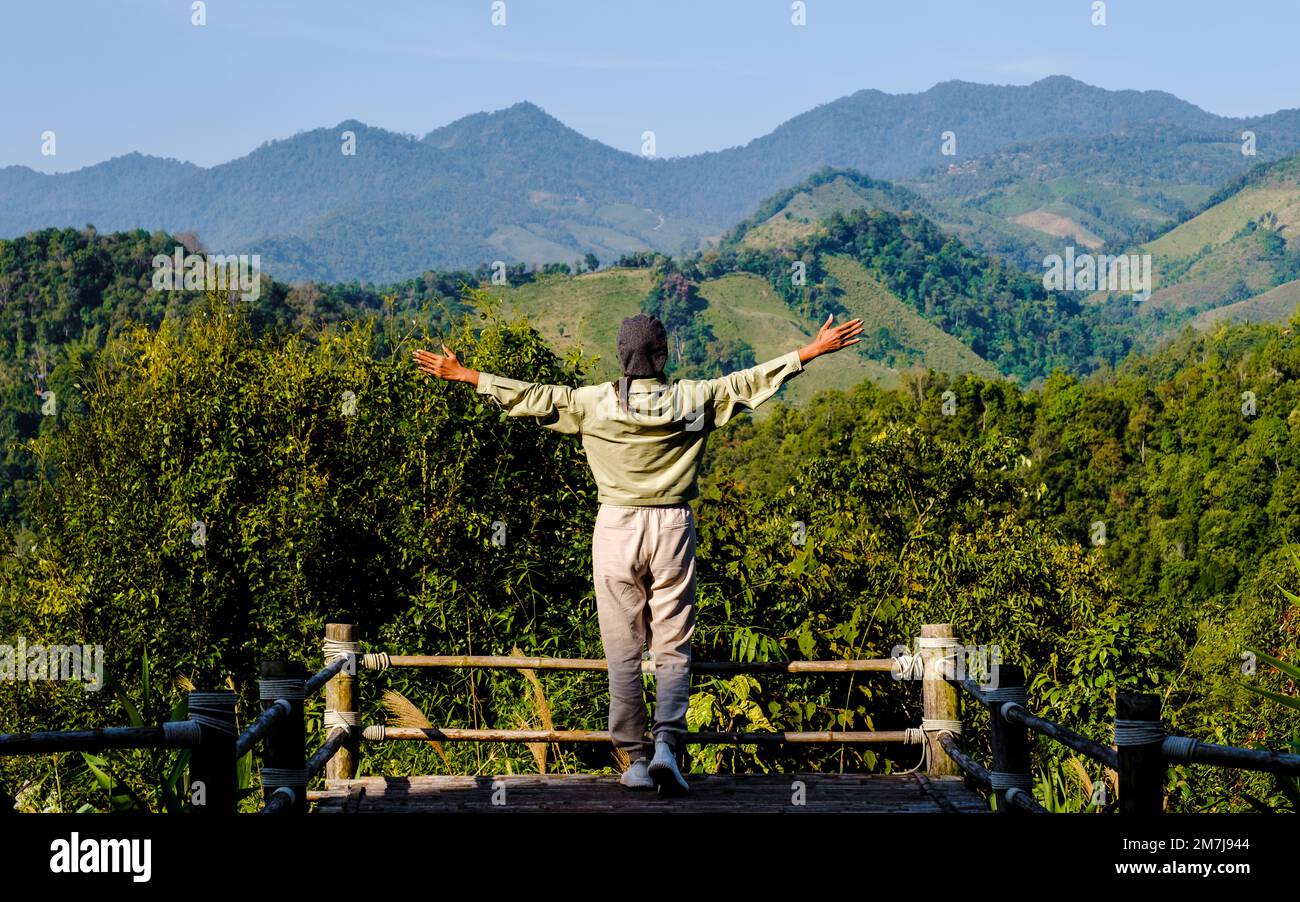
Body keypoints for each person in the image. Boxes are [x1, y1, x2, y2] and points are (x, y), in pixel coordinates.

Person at [413, 312, 863, 795]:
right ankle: (667, 743)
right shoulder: (693, 400)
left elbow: (534, 396)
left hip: (616, 526)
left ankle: (633, 758)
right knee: (672, 646)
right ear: (663, 356)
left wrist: (467, 375)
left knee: (622, 650)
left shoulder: (593, 404)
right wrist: (812, 351)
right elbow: (748, 382)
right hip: (671, 525)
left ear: (621, 357)